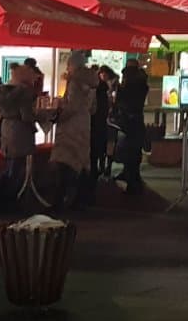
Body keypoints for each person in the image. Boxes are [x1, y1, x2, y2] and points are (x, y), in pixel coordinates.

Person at [50, 52, 99, 210]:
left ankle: (61, 200)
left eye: (68, 65)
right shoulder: (92, 81)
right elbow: (93, 108)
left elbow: (72, 106)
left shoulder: (75, 81)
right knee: (81, 161)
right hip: (85, 124)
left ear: (73, 65)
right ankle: (82, 198)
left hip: (71, 126)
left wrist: (59, 117)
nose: (67, 68)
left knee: (65, 161)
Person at [0, 66, 39, 206]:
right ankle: (9, 199)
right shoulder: (24, 92)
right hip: (20, 130)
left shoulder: (1, 91)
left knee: (10, 165)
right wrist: (36, 119)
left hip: (7, 128)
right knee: (16, 167)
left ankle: (2, 198)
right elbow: (26, 115)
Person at [114, 61, 151, 195]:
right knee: (134, 151)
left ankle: (131, 180)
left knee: (129, 150)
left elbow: (122, 101)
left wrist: (119, 89)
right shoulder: (142, 83)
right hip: (137, 120)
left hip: (128, 121)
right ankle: (132, 176)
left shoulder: (129, 85)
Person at [89, 65, 116, 196]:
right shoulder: (104, 89)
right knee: (104, 145)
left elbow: (96, 110)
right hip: (104, 123)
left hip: (101, 124)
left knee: (104, 145)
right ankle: (102, 167)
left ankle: (103, 168)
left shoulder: (102, 89)